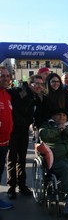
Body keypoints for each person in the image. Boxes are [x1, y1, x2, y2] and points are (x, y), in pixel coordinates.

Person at [7, 74, 45, 200]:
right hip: (12, 131)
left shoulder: (37, 96)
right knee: (12, 159)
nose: (39, 86)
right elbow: (10, 93)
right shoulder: (22, 91)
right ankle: (11, 188)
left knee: (21, 159)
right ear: (30, 84)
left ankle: (22, 185)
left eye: (41, 84)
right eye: (37, 84)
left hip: (23, 131)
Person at [0, 67, 13, 210]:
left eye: (7, 76)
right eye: (2, 76)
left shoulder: (7, 95)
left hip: (4, 142)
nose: (5, 78)